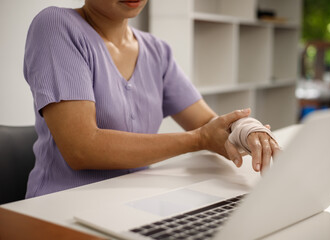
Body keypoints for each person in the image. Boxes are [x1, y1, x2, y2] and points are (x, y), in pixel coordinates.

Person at [23, 0, 280, 198]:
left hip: (131, 200)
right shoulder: (55, 25)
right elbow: (81, 148)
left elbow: (210, 123)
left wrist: (247, 131)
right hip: (59, 207)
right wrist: (199, 139)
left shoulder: (157, 51)